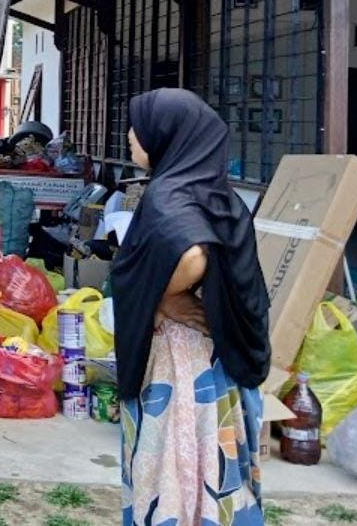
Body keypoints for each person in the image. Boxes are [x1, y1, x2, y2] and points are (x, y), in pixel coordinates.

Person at [111, 88, 271, 525]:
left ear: (168, 137)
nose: (130, 136)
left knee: (175, 474)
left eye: (138, 128)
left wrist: (159, 297)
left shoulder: (168, 196)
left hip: (180, 365)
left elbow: (193, 255)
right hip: (216, 359)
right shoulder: (216, 192)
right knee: (211, 472)